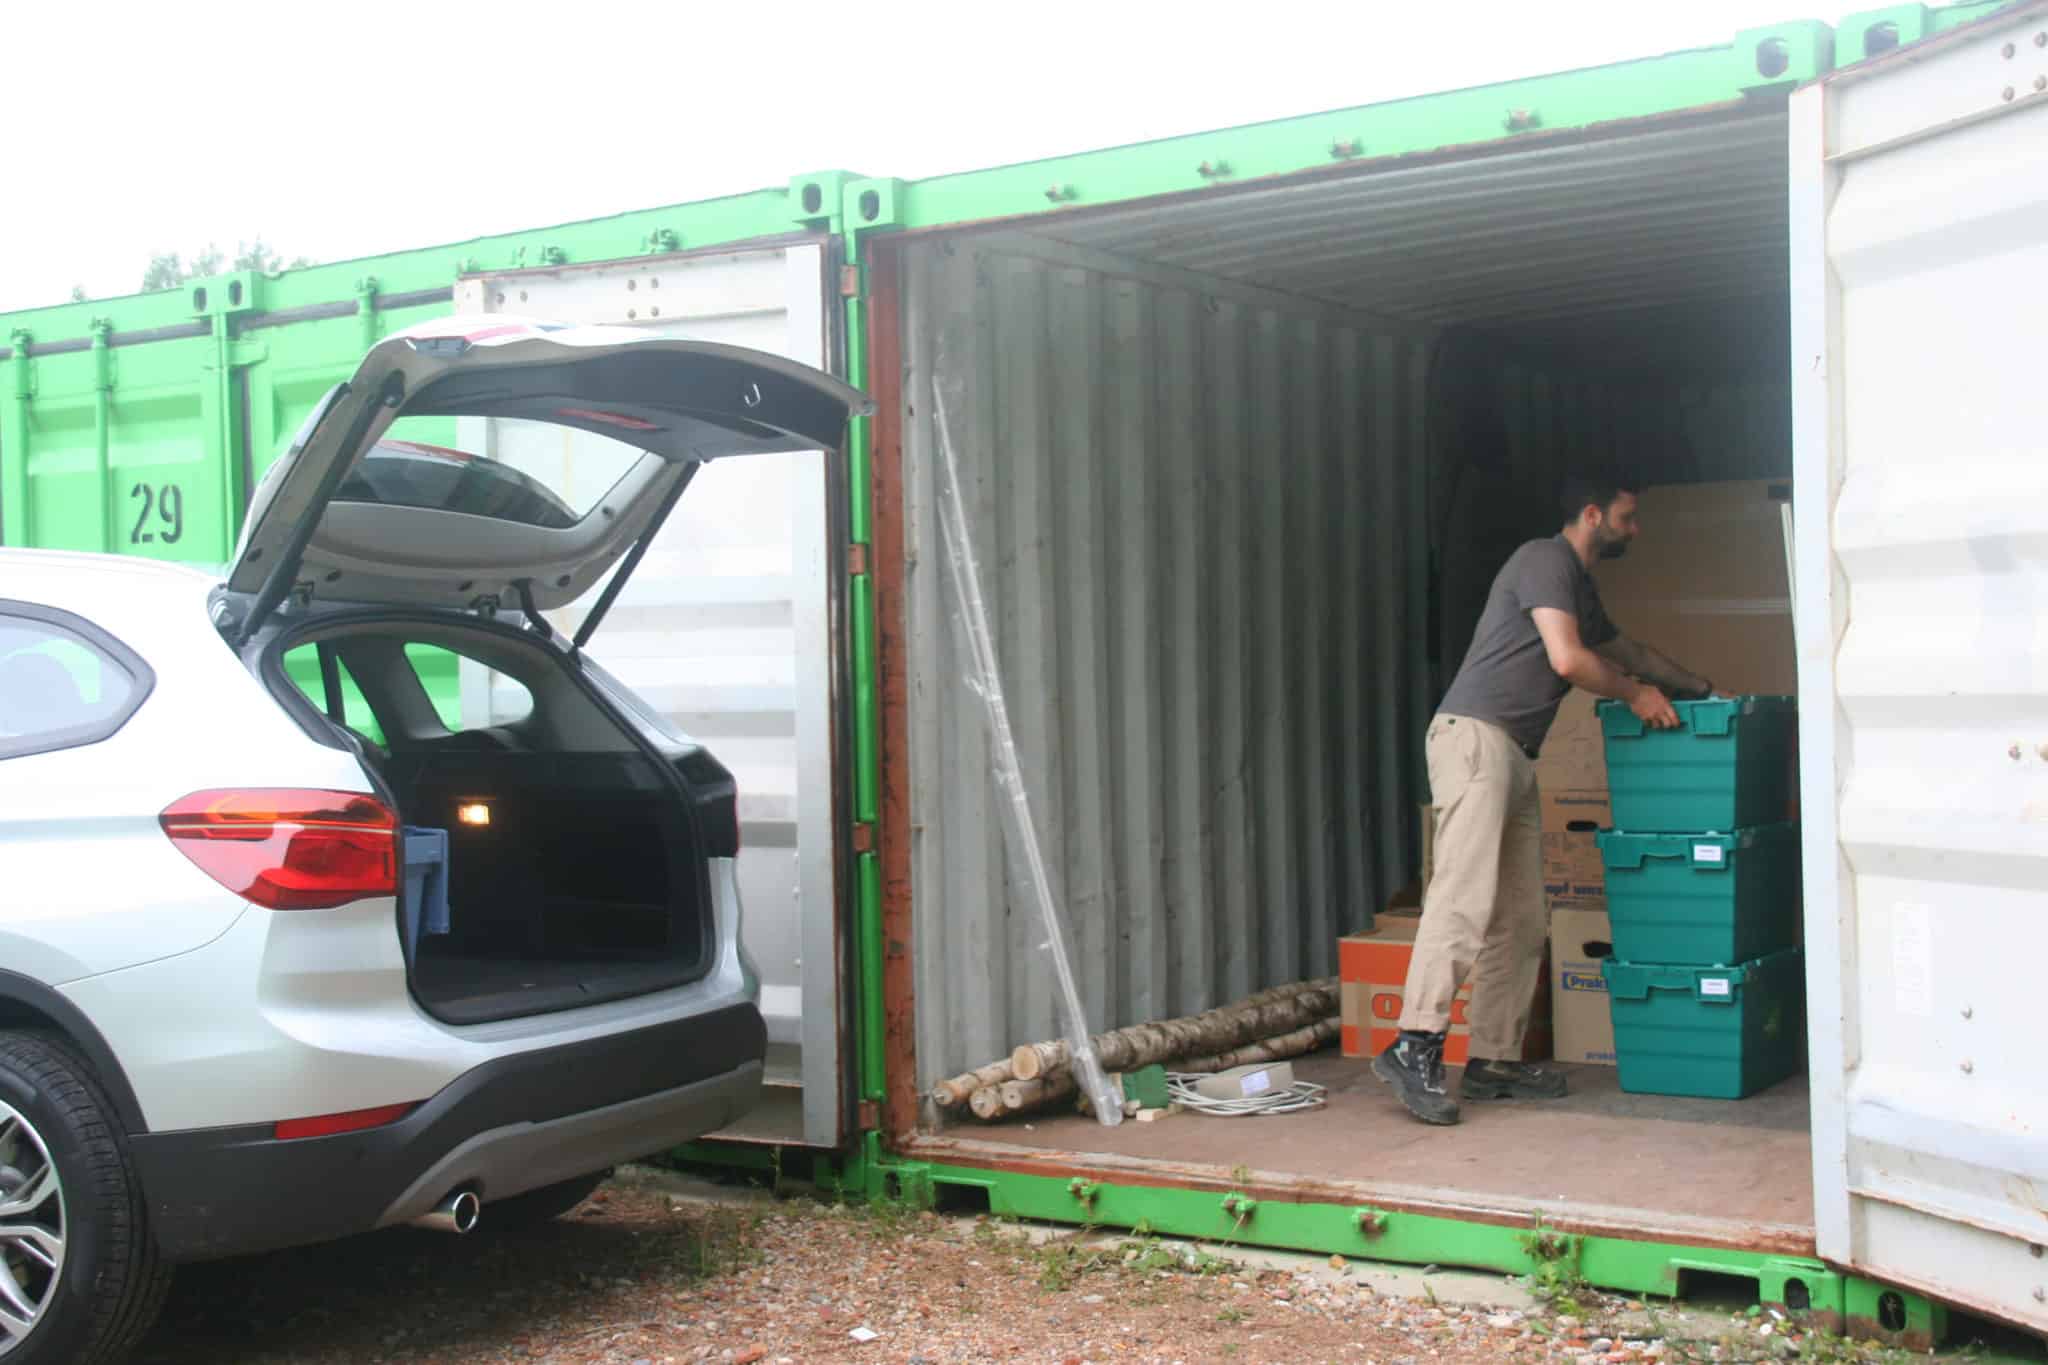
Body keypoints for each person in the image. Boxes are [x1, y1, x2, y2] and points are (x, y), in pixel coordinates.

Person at [1372, 475, 1713, 1126]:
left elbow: (1628, 651)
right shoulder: (1544, 560)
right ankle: (1413, 1041)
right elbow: (1568, 660)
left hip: (1517, 755)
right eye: (1627, 516)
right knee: (1462, 898)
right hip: (1475, 739)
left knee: (1525, 917)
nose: (1635, 529)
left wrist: (1696, 685)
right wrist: (1635, 695)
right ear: (1591, 515)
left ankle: (1493, 1059)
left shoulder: (1579, 588)